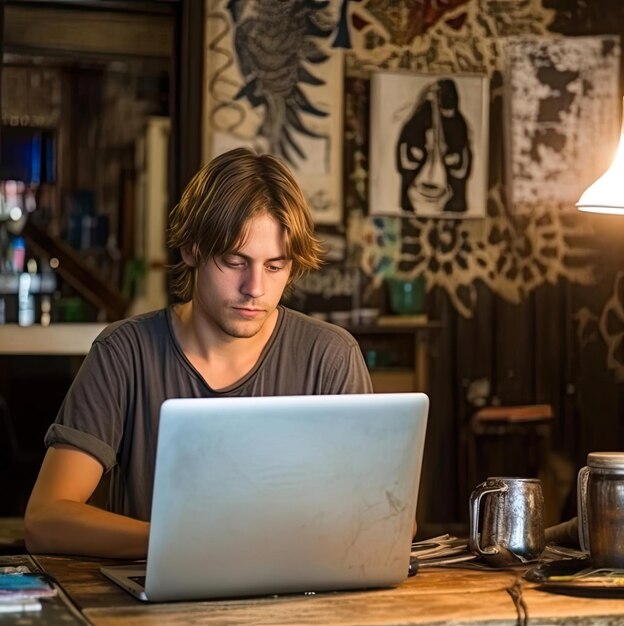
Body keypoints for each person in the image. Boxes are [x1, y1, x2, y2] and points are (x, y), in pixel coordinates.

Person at [24, 147, 373, 558]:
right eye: (234, 261)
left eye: (275, 266)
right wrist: (186, 543)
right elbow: (45, 520)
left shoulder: (331, 358)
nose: (255, 288)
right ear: (191, 249)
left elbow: (386, 514)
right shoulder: (124, 354)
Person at [396, 78, 472, 215]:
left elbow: (462, 160)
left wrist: (453, 159)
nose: (431, 177)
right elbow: (406, 150)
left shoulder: (458, 124)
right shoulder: (420, 118)